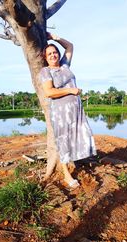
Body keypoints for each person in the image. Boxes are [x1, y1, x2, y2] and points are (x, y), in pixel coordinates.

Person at [39, 32, 96, 190]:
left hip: (75, 110)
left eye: (55, 52)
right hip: (60, 112)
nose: (53, 55)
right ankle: (66, 174)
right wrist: (71, 91)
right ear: (45, 57)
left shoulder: (65, 65)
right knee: (63, 141)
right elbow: (49, 92)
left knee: (77, 137)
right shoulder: (46, 72)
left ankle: (78, 160)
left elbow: (70, 46)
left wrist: (54, 38)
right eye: (49, 54)